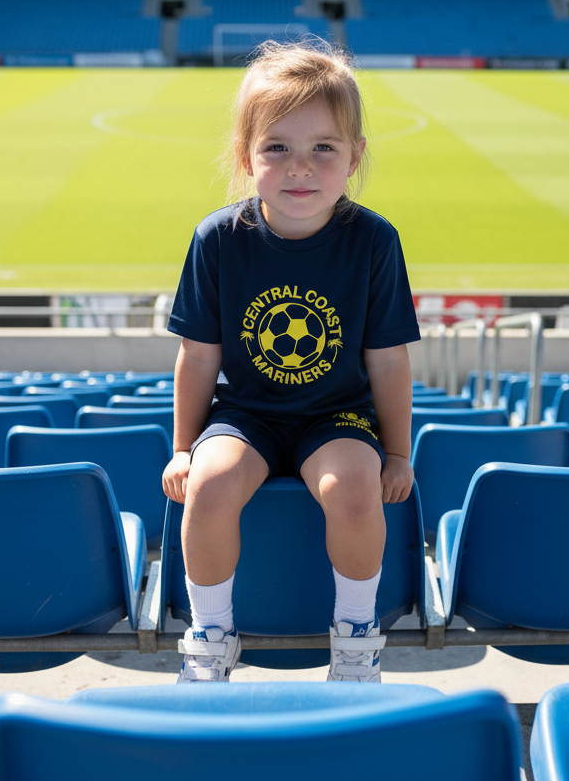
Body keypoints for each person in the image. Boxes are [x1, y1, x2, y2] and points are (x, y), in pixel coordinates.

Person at [162, 40, 419, 684]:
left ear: (354, 156)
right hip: (247, 415)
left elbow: (387, 360)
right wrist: (182, 447)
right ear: (247, 155)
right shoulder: (218, 238)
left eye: (323, 148)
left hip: (335, 417)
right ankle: (211, 637)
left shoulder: (373, 240)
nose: (299, 167)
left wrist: (398, 453)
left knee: (355, 492)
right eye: (277, 147)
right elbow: (197, 356)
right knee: (211, 486)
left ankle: (357, 641)